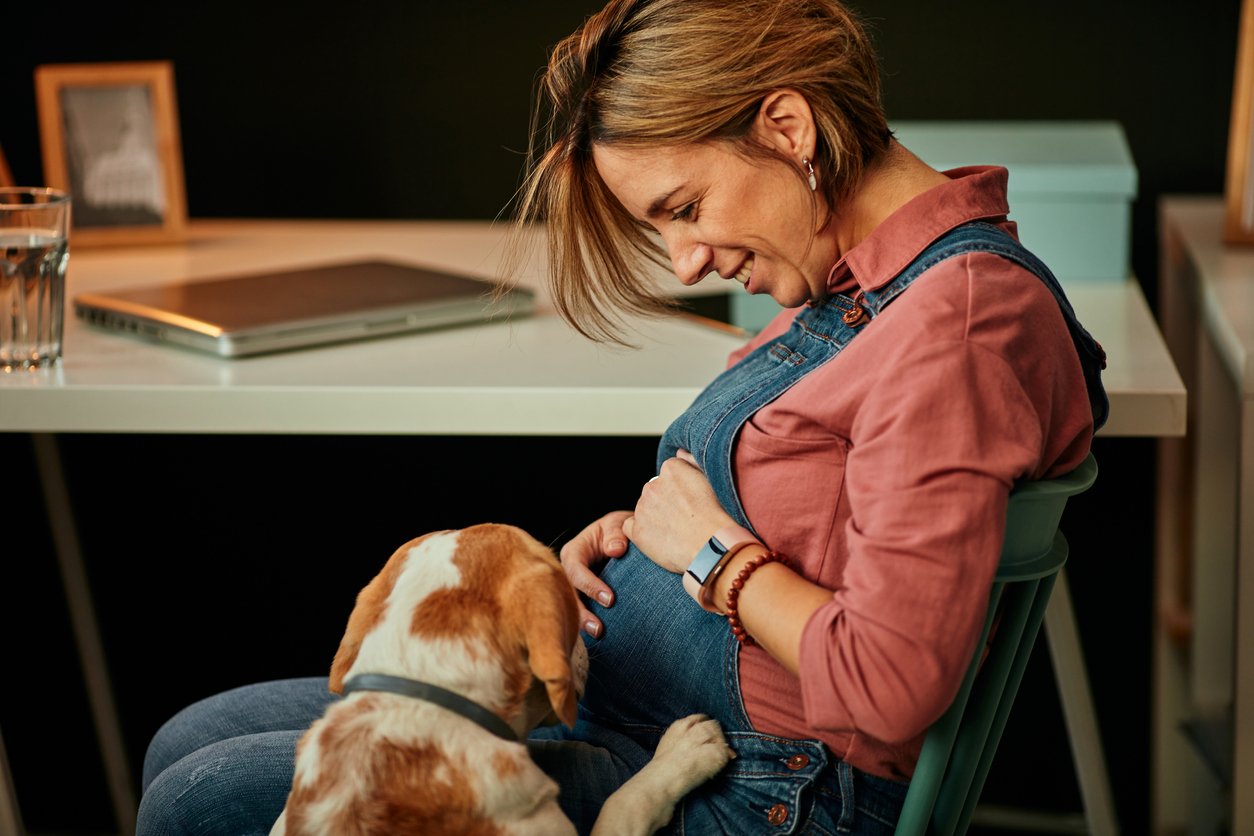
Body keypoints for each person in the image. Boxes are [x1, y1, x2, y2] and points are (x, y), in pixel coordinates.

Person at [136, 1, 1106, 834]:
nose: (684, 261)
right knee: (188, 739)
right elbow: (829, 518)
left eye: (684, 206)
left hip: (756, 788)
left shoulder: (959, 326)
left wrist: (710, 555)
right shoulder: (860, 286)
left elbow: (889, 682)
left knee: (199, 799)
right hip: (643, 718)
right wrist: (644, 544)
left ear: (789, 127)